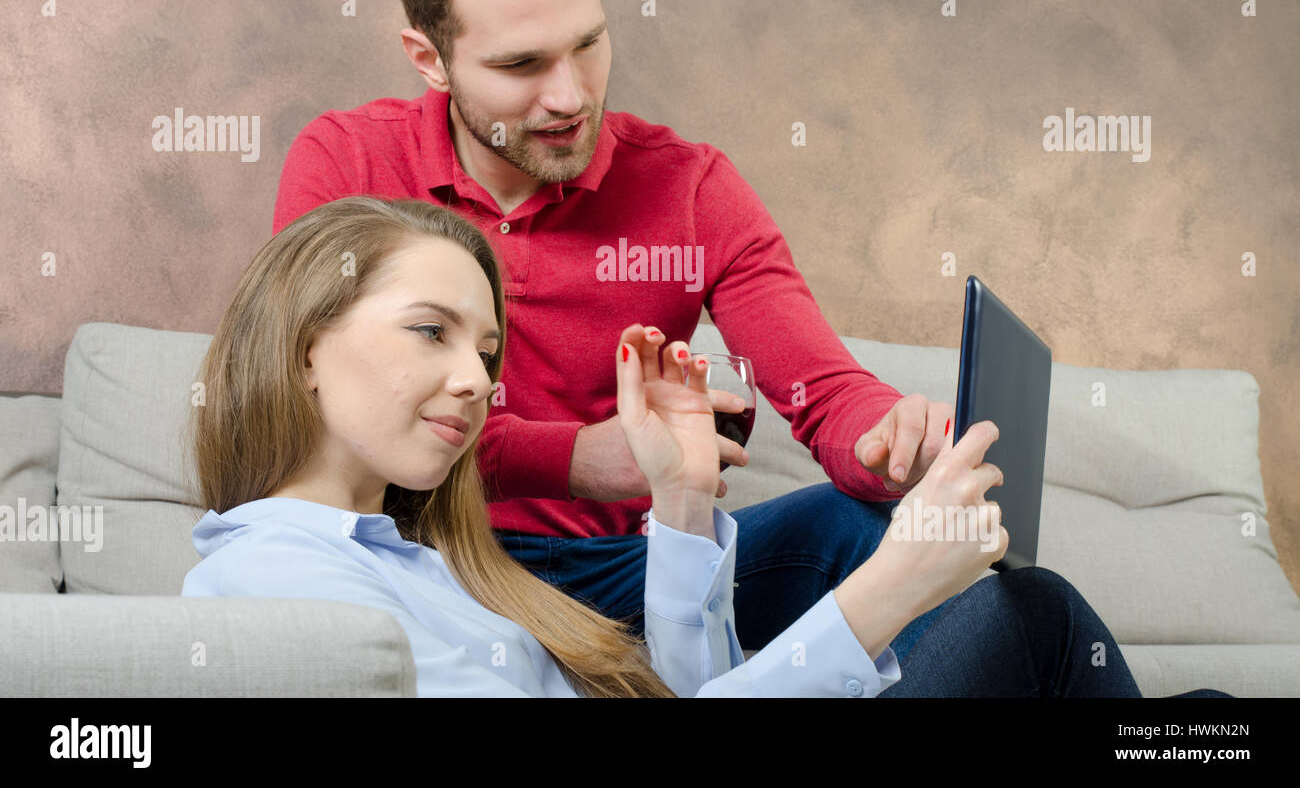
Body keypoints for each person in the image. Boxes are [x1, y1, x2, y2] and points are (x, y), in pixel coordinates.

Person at [181, 196, 1228, 697]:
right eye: (430, 331)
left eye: (487, 350)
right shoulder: (277, 578)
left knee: (1208, 724)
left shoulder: (430, 561)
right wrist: (887, 590)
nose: (477, 379)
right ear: (306, 346)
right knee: (1029, 616)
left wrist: (680, 502)